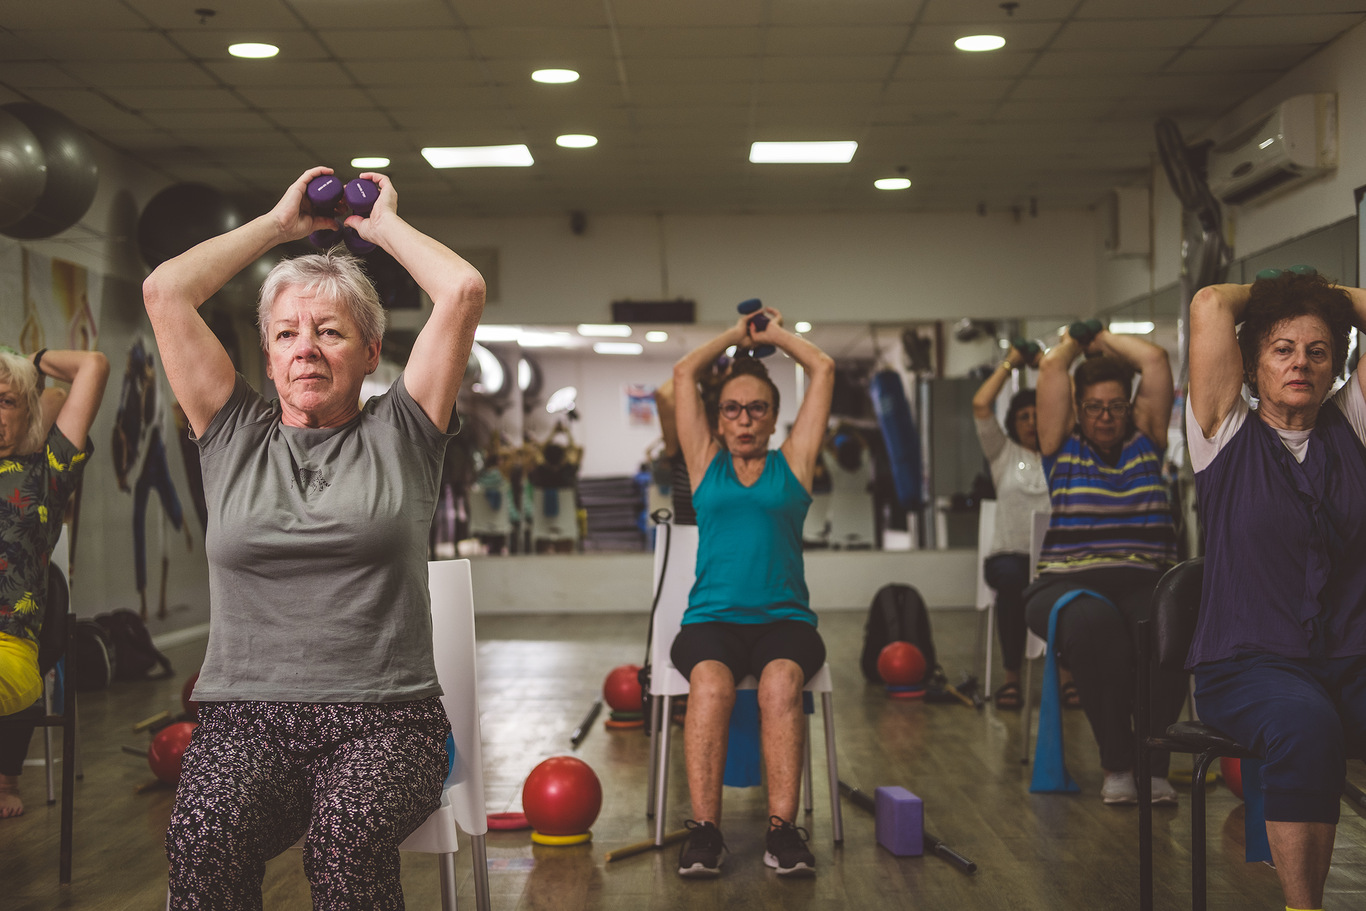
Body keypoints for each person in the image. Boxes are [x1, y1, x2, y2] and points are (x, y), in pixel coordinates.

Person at [143, 166, 485, 909]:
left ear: (369, 352)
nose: (307, 348)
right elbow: (164, 291)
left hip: (388, 721)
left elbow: (460, 291)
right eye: (288, 333)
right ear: (266, 355)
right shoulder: (231, 431)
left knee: (347, 835)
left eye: (330, 331)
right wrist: (277, 225)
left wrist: (382, 226)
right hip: (244, 717)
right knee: (204, 831)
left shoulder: (405, 430)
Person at [1187, 270, 1366, 911]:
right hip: (1245, 661)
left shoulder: (1351, 426)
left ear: (1336, 366)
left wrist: (1329, 302)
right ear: (1252, 363)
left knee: (1318, 709)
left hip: (1346, 657)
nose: (1300, 363)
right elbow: (1210, 303)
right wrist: (1288, 295)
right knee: (1304, 723)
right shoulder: (1222, 433)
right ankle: (1303, 907)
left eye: (1318, 352)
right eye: (1282, 348)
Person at [669, 307, 834, 878]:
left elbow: (824, 368)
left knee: (780, 682)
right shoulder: (704, 464)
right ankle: (706, 833)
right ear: (718, 420)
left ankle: (782, 834)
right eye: (732, 409)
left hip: (785, 621)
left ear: (773, 418)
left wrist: (776, 336)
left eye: (756, 409)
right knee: (711, 684)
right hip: (710, 621)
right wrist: (738, 335)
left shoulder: (795, 464)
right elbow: (686, 372)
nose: (743, 419)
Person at [1025, 325, 1186, 806]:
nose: (1106, 416)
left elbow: (1155, 360)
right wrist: (1077, 340)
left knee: (1166, 624)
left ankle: (1154, 764)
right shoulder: (1061, 447)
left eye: (1116, 405)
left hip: (1144, 577)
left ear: (1129, 407)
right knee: (1098, 627)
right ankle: (1119, 764)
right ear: (1078, 409)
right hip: (1067, 582)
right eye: (1094, 406)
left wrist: (1105, 336)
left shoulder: (1147, 439)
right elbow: (1053, 366)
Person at [0, 347, 109, 818]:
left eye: (5, 401)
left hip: (12, 648)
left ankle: (5, 778)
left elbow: (93, 367)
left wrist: (32, 361)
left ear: (29, 410)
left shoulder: (46, 472)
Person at [971, 346, 1054, 710]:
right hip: (1009, 557)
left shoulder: (1064, 452)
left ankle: (1066, 678)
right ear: (1013, 423)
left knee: (1068, 584)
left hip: (1054, 559)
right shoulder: (1002, 453)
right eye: (1024, 416)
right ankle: (1011, 681)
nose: (1033, 422)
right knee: (1012, 584)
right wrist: (1011, 364)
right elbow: (980, 405)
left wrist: (1048, 367)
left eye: (1039, 414)